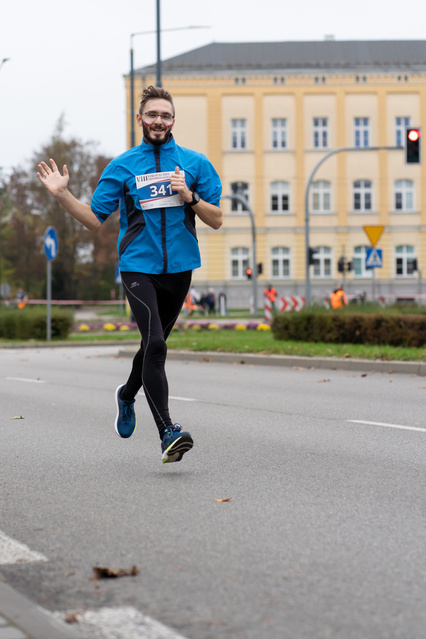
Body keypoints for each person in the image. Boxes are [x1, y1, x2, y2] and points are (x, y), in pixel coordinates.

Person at [37, 85, 223, 463]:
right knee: (155, 344)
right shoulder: (122, 167)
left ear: (173, 121)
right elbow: (92, 219)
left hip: (180, 271)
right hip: (137, 267)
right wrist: (61, 195)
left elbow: (216, 219)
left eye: (165, 115)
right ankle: (169, 432)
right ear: (139, 119)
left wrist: (190, 196)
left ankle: (126, 394)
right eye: (152, 115)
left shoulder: (195, 163)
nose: (158, 121)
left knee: (151, 345)